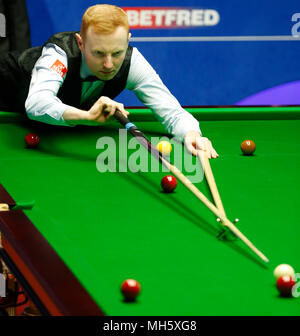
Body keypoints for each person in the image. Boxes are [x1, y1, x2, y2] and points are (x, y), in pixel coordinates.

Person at [0, 4, 218, 159]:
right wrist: (86, 117)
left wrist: (192, 133)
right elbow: (37, 103)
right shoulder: (59, 53)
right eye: (98, 53)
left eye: (116, 53)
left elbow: (173, 112)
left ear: (128, 41)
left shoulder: (132, 62)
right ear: (81, 42)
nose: (108, 64)